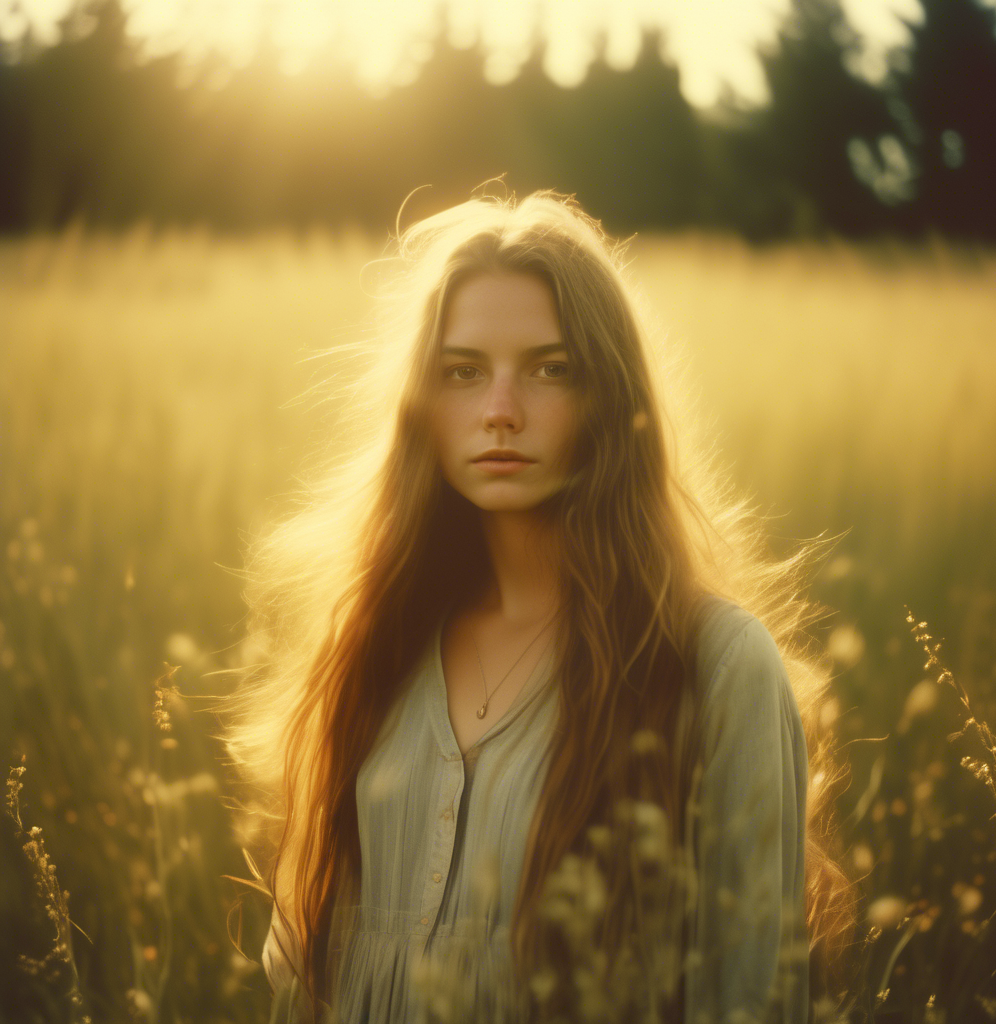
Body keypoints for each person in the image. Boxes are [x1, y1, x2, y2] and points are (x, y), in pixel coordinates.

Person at [223, 189, 857, 1024]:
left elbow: (750, 999)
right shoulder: (372, 641)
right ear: (423, 403)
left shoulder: (713, 665)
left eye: (550, 370)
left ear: (609, 397)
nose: (500, 411)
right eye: (464, 371)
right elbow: (302, 983)